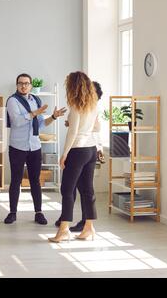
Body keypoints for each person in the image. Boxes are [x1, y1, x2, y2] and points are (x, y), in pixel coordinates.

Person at [4, 74, 66, 225]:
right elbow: (17, 122)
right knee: (16, 180)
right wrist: (34, 113)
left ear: (31, 85)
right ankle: (12, 213)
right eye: (20, 83)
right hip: (17, 147)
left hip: (35, 146)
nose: (23, 86)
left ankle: (39, 213)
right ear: (17, 85)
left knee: (35, 181)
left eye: (26, 83)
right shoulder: (12, 100)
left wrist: (53, 116)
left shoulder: (36, 100)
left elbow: (41, 124)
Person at [48, 71, 100, 243]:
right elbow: (96, 127)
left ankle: (63, 230)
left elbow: (73, 133)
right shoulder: (93, 105)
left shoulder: (76, 106)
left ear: (73, 86)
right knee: (87, 190)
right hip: (91, 149)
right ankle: (89, 228)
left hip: (77, 151)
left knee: (67, 190)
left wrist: (64, 155)